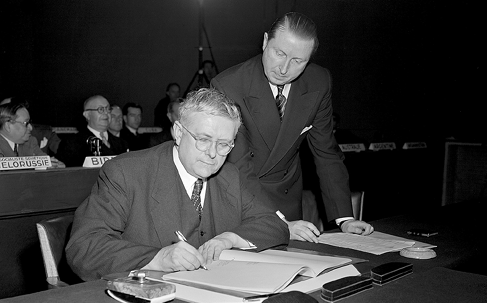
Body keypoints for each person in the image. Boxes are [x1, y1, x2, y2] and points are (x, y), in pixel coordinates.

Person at [66, 88, 289, 281]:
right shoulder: (127, 173)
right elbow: (83, 247)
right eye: (203, 140)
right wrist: (158, 258)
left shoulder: (228, 175)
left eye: (223, 145)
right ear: (179, 133)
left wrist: (228, 239)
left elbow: (274, 224)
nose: (212, 154)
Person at [211, 12, 373, 242]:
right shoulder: (228, 85)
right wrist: (279, 222)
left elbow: (326, 152)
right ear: (266, 41)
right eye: (279, 53)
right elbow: (239, 167)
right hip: (241, 202)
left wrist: (345, 219)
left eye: (298, 61)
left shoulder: (319, 81)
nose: (284, 68)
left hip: (288, 203)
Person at [56, 95, 129, 167]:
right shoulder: (72, 143)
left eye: (108, 109)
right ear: (87, 115)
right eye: (101, 109)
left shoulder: (122, 143)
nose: (106, 113)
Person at [0, 100, 65, 168]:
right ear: (7, 126)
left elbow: (44, 161)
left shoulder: (31, 141)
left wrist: (54, 165)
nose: (30, 128)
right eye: (25, 123)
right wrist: (37, 163)